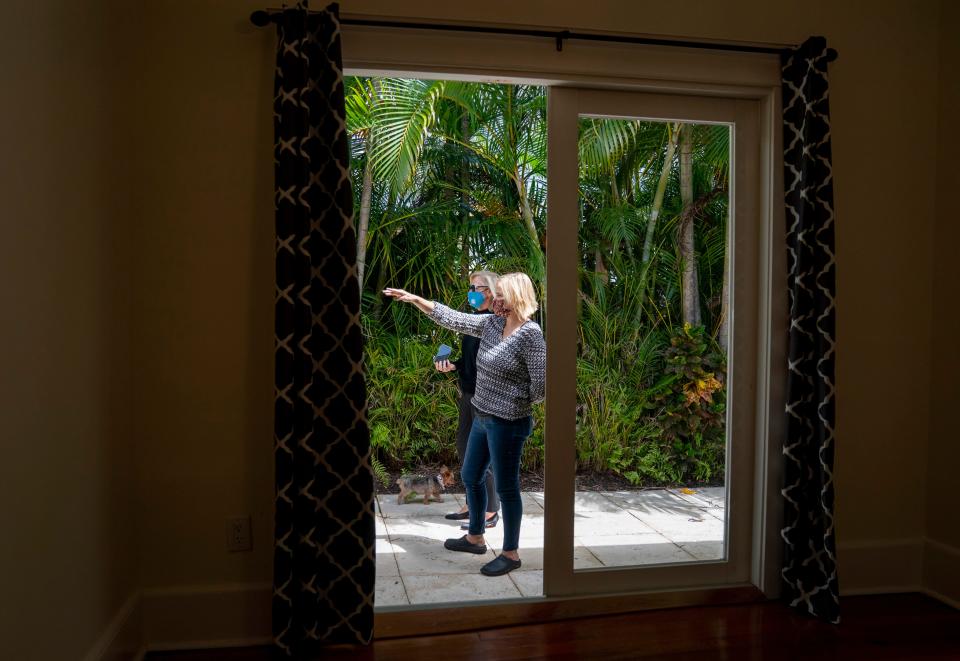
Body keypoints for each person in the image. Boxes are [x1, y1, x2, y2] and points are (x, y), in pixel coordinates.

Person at [383, 273, 545, 577]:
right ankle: (475, 538)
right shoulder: (492, 324)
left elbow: (541, 385)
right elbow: (453, 319)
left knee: (508, 488)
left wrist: (513, 402)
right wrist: (417, 300)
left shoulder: (531, 334)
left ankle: (510, 554)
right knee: (471, 475)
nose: (494, 300)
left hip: (508, 423)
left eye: (500, 295)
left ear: (517, 297)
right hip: (481, 415)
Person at [435, 270, 501, 530]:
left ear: (491, 291)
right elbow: (472, 361)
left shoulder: (496, 322)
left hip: (486, 397)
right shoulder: (474, 321)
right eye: (471, 287)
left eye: (477, 287)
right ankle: (473, 503)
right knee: (465, 448)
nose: (471, 292)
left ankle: (490, 511)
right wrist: (454, 366)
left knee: (484, 453)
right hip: (469, 394)